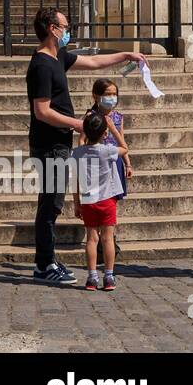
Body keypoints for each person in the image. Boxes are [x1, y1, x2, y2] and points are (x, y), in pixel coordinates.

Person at [25, 7, 147, 284]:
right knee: (50, 204)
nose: (68, 31)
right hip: (48, 144)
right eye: (65, 26)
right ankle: (44, 265)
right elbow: (42, 111)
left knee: (52, 202)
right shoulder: (42, 64)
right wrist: (78, 124)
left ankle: (49, 260)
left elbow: (94, 63)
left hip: (59, 142)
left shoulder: (58, 57)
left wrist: (127, 55)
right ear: (51, 29)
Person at [70, 109, 129, 291]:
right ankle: (109, 277)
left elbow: (75, 180)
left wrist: (77, 203)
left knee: (91, 239)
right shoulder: (107, 151)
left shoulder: (78, 153)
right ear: (105, 133)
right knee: (107, 239)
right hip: (107, 200)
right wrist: (113, 128)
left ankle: (91, 277)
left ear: (86, 132)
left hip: (88, 200)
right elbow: (125, 148)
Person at [90, 79, 131, 261]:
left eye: (114, 94)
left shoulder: (118, 117)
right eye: (107, 94)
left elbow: (122, 140)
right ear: (97, 96)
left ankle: (109, 239)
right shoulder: (91, 116)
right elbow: (83, 140)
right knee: (99, 201)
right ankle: (101, 242)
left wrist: (128, 163)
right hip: (98, 164)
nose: (111, 98)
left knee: (111, 203)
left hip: (115, 162)